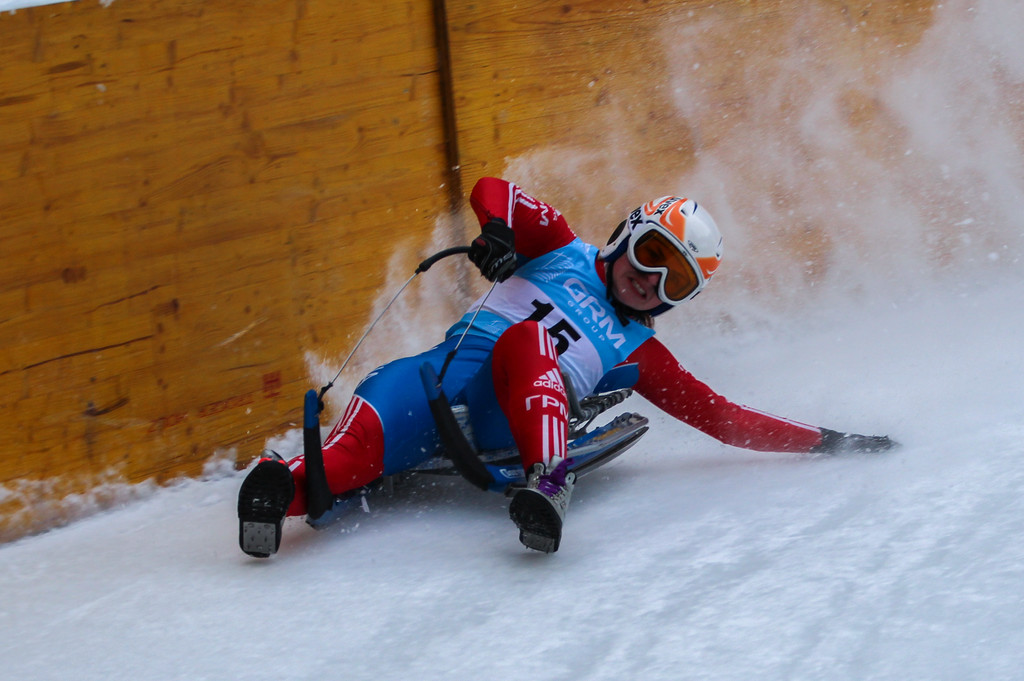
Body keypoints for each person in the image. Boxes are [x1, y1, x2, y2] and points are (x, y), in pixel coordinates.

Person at [238, 177, 896, 556]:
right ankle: (276, 489)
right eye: (651, 255)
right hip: (440, 378)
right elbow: (493, 190)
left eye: (674, 282)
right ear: (626, 233)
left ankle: (548, 483)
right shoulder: (560, 247)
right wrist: (498, 232)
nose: (648, 282)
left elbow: (723, 419)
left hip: (509, 417)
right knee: (360, 438)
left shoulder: (641, 351)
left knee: (526, 343)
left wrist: (826, 439)